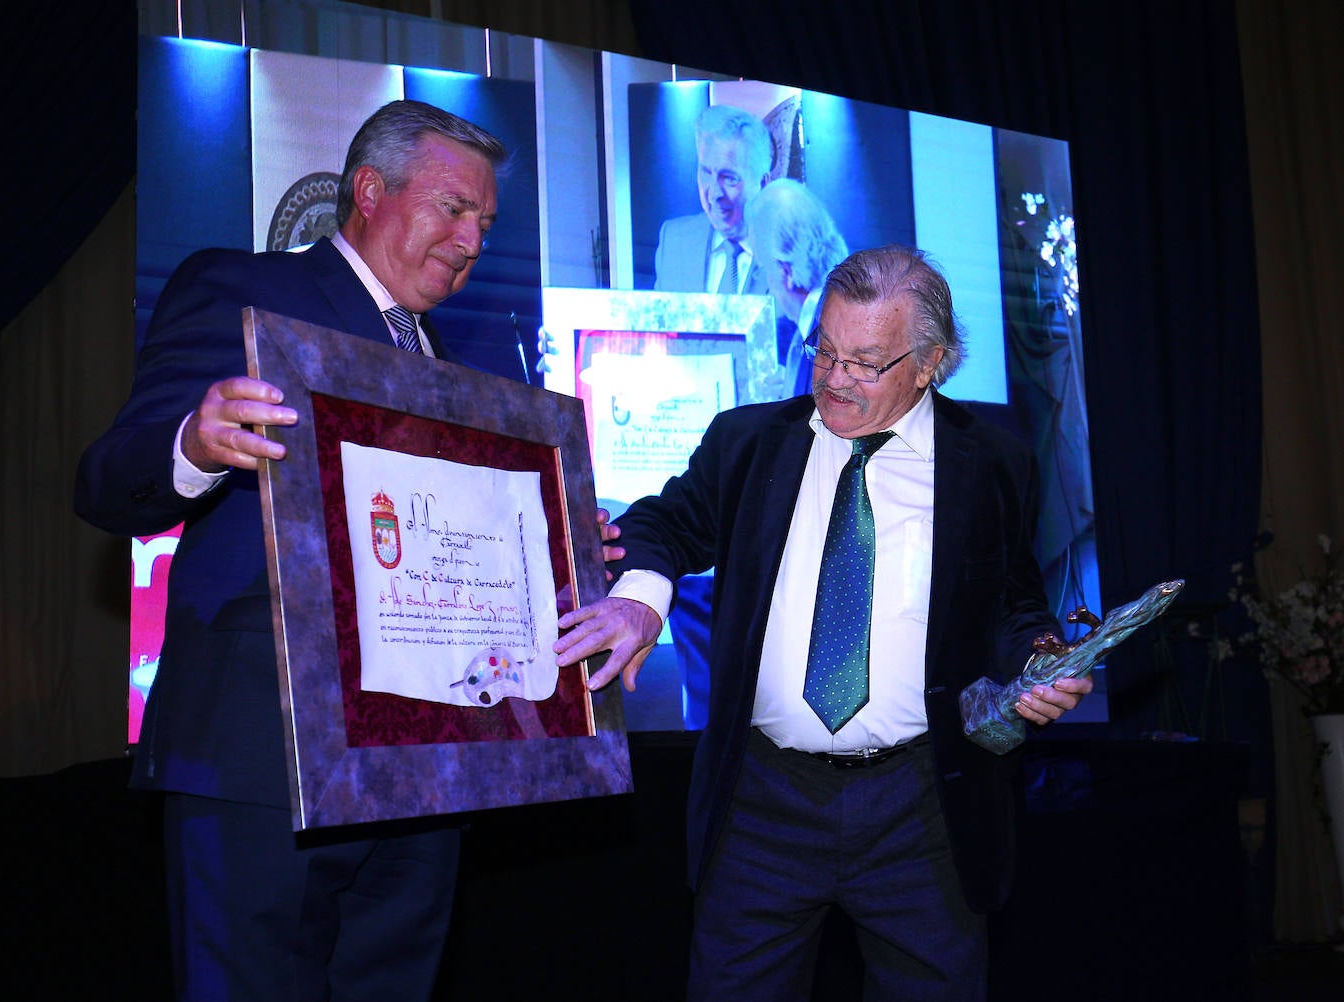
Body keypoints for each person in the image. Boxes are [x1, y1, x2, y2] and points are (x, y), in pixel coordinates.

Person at [75, 100, 619, 1001]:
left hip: (424, 761)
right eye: (453, 208)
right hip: (263, 753)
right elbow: (107, 481)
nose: (473, 238)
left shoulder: (459, 358)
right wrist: (195, 443)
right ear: (369, 190)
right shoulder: (243, 290)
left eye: (485, 222)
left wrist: (560, 546)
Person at [553, 245, 1092, 1001]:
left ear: (931, 361)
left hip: (924, 805)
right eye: (825, 351)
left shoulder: (994, 460)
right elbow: (663, 525)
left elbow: (1011, 597)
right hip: (762, 804)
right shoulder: (748, 443)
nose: (836, 379)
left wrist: (1038, 653)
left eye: (866, 362)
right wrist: (641, 597)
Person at [653, 103, 774, 296]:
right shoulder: (675, 241)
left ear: (763, 184)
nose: (714, 193)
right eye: (706, 172)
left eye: (729, 178)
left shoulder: (795, 255)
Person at [744, 177, 850, 397]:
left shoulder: (828, 340)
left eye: (764, 268)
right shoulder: (828, 322)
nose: (767, 286)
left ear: (787, 271)